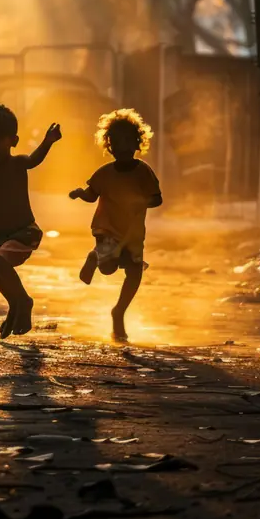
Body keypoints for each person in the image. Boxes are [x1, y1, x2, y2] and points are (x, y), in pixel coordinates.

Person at [70, 107, 162, 343]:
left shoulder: (143, 172)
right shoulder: (104, 173)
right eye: (116, 143)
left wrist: (141, 201)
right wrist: (81, 193)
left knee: (134, 272)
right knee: (108, 268)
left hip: (132, 234)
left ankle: (119, 310)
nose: (121, 148)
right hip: (107, 229)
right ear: (109, 146)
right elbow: (92, 194)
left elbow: (157, 198)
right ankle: (95, 256)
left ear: (137, 143)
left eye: (127, 142)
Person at [0, 103, 62, 339]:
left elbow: (34, 159)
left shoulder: (18, 163)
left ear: (13, 140)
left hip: (23, 232)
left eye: (0, 140)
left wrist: (48, 141)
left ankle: (24, 301)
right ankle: (14, 306)